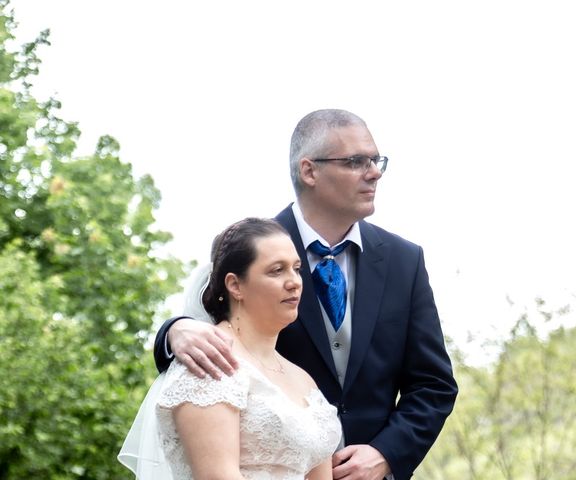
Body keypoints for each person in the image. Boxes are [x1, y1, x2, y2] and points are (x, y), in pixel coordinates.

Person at [154, 109, 458, 480]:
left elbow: (434, 383)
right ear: (309, 171)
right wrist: (174, 331)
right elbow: (207, 326)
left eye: (376, 160)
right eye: (355, 161)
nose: (374, 172)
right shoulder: (251, 248)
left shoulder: (404, 260)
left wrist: (387, 454)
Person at [119, 218, 342, 479]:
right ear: (235, 285)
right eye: (276, 270)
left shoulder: (303, 379)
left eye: (296, 268)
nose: (294, 281)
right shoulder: (209, 364)